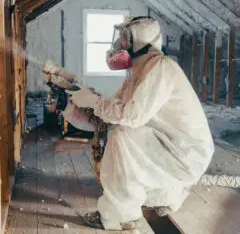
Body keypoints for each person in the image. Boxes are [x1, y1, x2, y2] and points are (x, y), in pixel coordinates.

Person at [64, 17, 214, 231]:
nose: (120, 44)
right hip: (173, 146)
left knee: (124, 136)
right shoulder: (138, 74)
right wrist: (69, 108)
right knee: (124, 133)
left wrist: (94, 102)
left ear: (141, 41)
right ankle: (164, 197)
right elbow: (105, 119)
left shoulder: (162, 68)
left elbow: (131, 116)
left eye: (125, 38)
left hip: (188, 153)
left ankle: (121, 217)